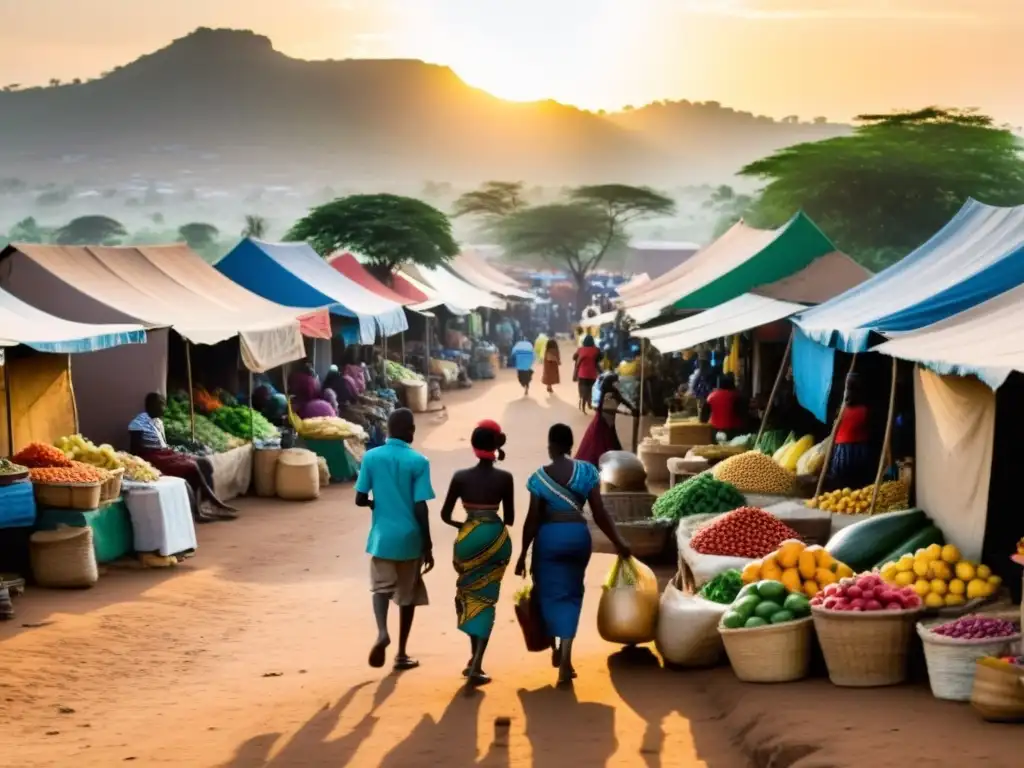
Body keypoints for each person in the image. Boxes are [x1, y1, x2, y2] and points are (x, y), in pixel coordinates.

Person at [515, 424, 631, 686]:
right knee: (572, 593)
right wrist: (619, 541)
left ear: (550, 446)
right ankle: (565, 657)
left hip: (549, 539)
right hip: (577, 537)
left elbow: (532, 519)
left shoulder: (538, 478)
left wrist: (523, 554)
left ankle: (555, 649)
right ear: (570, 445)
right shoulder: (587, 472)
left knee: (548, 593)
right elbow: (599, 513)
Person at [355, 408, 435, 672]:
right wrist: (428, 543)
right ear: (409, 430)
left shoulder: (371, 457)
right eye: (412, 427)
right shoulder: (418, 461)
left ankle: (381, 631)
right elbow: (421, 506)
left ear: (388, 429)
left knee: (380, 588)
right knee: (407, 596)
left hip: (382, 538)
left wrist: (375, 504)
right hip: (410, 538)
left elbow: (359, 498)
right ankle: (401, 653)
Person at [438, 420, 515, 686]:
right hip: (495, 536)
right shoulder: (505, 478)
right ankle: (477, 662)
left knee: (470, 595)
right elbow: (511, 518)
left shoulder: (460, 477)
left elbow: (445, 515)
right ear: (496, 446)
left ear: (473, 446)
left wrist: (467, 526)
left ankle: (473, 657)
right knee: (487, 598)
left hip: (468, 539)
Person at [129, 393, 237, 523]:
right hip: (152, 457)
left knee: (205, 463)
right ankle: (202, 509)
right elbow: (136, 450)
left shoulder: (158, 421)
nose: (164, 407)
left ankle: (206, 504)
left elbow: (165, 442)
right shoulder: (138, 423)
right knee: (191, 467)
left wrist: (183, 444)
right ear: (150, 406)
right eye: (161, 404)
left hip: (165, 453)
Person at [575, 373, 637, 468]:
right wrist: (627, 412)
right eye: (616, 381)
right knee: (597, 447)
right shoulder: (608, 395)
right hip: (603, 422)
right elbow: (609, 408)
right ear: (611, 383)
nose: (618, 383)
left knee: (611, 443)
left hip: (609, 423)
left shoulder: (614, 392)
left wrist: (632, 409)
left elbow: (623, 402)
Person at [825, 372, 874, 491]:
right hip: (860, 451)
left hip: (843, 451)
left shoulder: (839, 410)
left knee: (841, 485)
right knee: (859, 485)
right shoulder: (865, 409)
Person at [702, 373, 747, 439]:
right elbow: (742, 414)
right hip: (734, 431)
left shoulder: (710, 397)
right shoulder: (736, 396)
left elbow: (703, 417)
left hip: (715, 431)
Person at [572, 335, 602, 413]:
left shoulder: (580, 349)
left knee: (583, 389)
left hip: (582, 374)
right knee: (591, 389)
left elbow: (574, 357)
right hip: (592, 374)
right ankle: (590, 403)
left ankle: (583, 404)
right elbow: (600, 358)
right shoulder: (596, 350)